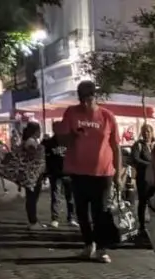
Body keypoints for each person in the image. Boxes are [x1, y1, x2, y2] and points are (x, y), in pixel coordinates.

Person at [56, 80, 122, 264]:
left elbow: (115, 146)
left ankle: (101, 249)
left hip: (103, 173)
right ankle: (88, 245)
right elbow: (61, 140)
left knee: (101, 211)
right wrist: (72, 135)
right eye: (82, 99)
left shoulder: (107, 116)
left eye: (89, 99)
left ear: (95, 97)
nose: (85, 103)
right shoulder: (71, 112)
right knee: (82, 212)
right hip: (78, 171)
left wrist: (118, 174)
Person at [42, 121, 77, 228]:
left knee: (70, 197)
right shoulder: (49, 143)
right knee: (56, 196)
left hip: (69, 173)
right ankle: (55, 218)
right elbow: (44, 159)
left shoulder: (69, 141)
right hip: (55, 174)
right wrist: (45, 173)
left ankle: (71, 218)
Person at [19, 122, 47, 230]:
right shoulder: (30, 141)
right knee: (32, 198)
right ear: (35, 131)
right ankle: (33, 222)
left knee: (32, 198)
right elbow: (32, 155)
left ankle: (33, 221)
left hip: (33, 173)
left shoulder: (31, 140)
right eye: (39, 130)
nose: (40, 133)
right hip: (32, 173)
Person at [130, 123, 155, 236]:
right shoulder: (138, 145)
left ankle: (153, 223)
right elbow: (135, 159)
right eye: (144, 131)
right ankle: (142, 226)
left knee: (154, 201)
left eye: (148, 131)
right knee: (143, 201)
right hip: (143, 178)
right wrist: (149, 164)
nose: (146, 134)